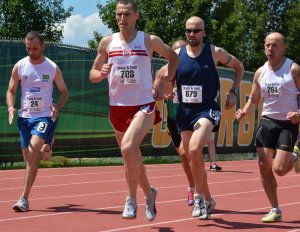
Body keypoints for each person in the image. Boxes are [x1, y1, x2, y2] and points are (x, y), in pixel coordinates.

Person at [89, 0, 178, 221]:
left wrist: (164, 83)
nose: (122, 19)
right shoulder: (107, 42)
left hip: (143, 105)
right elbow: (92, 74)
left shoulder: (149, 40)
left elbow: (174, 57)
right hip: (117, 108)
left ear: (137, 15)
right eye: (118, 14)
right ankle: (149, 193)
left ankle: (131, 199)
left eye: (127, 14)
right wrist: (100, 73)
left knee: (128, 149)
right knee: (133, 158)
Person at [174, 16, 244, 220]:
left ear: (204, 32)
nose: (192, 34)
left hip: (207, 109)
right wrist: (163, 87)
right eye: (188, 30)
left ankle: (197, 197)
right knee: (188, 155)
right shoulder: (177, 54)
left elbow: (238, 67)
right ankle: (208, 199)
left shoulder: (214, 52)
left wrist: (233, 91)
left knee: (195, 149)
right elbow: (164, 75)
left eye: (196, 31)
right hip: (185, 111)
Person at [235, 32, 300, 223]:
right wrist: (245, 111)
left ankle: (295, 155)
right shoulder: (260, 72)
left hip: (288, 123)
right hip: (267, 120)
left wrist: (298, 114)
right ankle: (275, 209)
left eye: (274, 45)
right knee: (264, 164)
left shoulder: (293, 69)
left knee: (279, 169)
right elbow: (254, 99)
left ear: (283, 48)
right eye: (267, 45)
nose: (269, 49)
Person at [6, 31, 69, 212]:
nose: (31, 52)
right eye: (28, 48)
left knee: (33, 153)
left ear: (43, 46)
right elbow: (11, 90)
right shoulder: (20, 66)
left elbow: (64, 91)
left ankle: (24, 198)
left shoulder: (52, 67)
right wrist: (11, 107)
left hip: (44, 116)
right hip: (24, 118)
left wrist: (57, 107)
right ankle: (48, 144)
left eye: (34, 48)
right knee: (28, 157)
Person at [155, 39, 195, 206]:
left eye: (181, 52)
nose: (178, 55)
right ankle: (192, 186)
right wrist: (164, 95)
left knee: (188, 154)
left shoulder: (192, 71)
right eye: (175, 52)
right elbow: (156, 94)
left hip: (191, 118)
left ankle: (196, 190)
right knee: (183, 157)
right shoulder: (164, 73)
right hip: (173, 120)